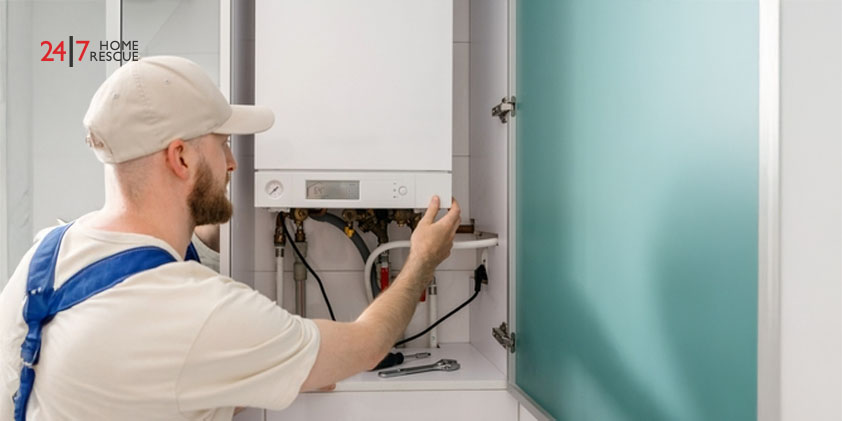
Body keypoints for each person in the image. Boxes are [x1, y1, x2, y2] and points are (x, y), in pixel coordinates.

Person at [0, 56, 461, 420]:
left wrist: (270, 369)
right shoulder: (199, 311)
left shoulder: (44, 254)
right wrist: (422, 258)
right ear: (180, 158)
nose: (233, 163)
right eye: (222, 144)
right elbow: (367, 345)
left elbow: (141, 383)